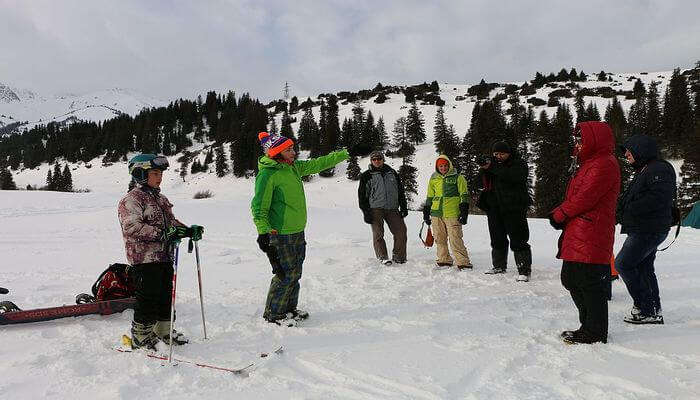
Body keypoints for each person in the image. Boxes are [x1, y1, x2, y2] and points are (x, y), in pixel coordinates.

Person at [251, 132, 349, 326]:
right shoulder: (268, 174)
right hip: (280, 233)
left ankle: (288, 309)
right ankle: (274, 313)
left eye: (293, 148)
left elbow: (319, 163)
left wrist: (346, 153)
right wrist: (263, 232)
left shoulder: (293, 167)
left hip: (297, 231)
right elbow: (259, 208)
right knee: (284, 273)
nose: (294, 152)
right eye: (289, 149)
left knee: (296, 272)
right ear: (277, 152)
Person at [118, 154, 204, 350]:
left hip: (165, 255)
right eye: (155, 173)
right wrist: (164, 233)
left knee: (166, 294)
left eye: (160, 173)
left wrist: (188, 230)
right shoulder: (131, 199)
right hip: (144, 257)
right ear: (140, 174)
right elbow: (132, 228)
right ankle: (141, 336)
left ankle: (163, 330)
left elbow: (171, 223)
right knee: (148, 296)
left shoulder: (160, 198)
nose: (160, 177)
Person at [549, 122, 620, 344]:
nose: (578, 144)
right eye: (577, 140)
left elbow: (585, 198)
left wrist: (559, 214)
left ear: (594, 140)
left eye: (581, 139)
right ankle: (587, 326)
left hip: (592, 230)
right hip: (580, 229)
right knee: (571, 278)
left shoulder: (604, 164)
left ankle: (595, 331)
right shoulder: (589, 163)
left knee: (588, 283)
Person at [615, 134, 676, 325]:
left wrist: (628, 208)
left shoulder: (659, 169)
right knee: (643, 266)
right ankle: (653, 309)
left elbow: (659, 198)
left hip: (648, 229)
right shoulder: (646, 169)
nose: (626, 155)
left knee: (623, 264)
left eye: (628, 150)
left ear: (640, 150)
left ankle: (646, 308)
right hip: (645, 227)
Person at [477, 141, 533, 281]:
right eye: (496, 154)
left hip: (514, 208)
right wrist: (484, 168)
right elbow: (482, 182)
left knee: (519, 239)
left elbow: (514, 177)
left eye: (501, 153)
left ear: (508, 153)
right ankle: (499, 266)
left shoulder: (518, 164)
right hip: (494, 208)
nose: (498, 156)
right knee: (497, 238)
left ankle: (524, 270)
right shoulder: (493, 166)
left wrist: (492, 166)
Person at [358, 150, 408, 265]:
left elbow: (400, 191)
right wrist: (366, 212)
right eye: (374, 159)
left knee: (401, 231)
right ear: (371, 161)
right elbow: (362, 196)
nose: (377, 161)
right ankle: (383, 257)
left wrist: (403, 207)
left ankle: (399, 257)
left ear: (383, 160)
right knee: (378, 234)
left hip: (392, 208)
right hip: (375, 209)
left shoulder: (392, 173)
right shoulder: (367, 175)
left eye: (379, 159)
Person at [422, 155, 472, 269]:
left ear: (449, 165)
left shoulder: (458, 177)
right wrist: (426, 211)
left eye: (445, 165)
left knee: (455, 237)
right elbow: (430, 196)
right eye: (440, 166)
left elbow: (464, 195)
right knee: (439, 237)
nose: (443, 168)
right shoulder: (434, 178)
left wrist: (464, 212)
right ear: (437, 167)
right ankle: (444, 259)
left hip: (452, 212)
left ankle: (463, 261)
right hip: (436, 212)